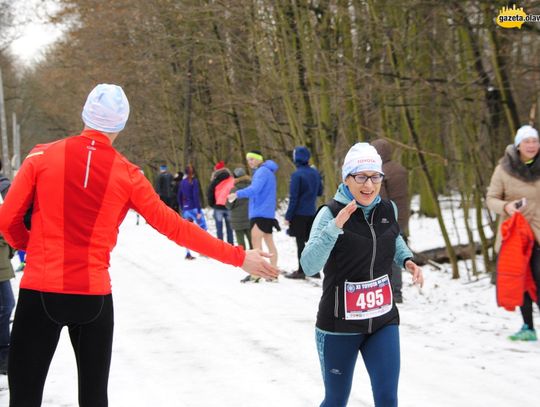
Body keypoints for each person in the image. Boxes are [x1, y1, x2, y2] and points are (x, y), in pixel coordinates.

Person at [0, 84, 279, 407]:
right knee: (93, 398)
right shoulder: (128, 174)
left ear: (85, 113)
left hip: (41, 290)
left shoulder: (41, 155)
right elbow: (175, 227)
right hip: (93, 296)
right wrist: (238, 256)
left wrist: (30, 249)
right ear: (120, 124)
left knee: (24, 396)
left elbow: (7, 220)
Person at [300, 142, 423, 407]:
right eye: (361, 177)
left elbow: (393, 237)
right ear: (347, 178)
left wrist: (407, 260)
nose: (369, 185)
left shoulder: (387, 209)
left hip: (382, 320)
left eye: (375, 177)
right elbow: (308, 265)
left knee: (388, 399)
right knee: (336, 400)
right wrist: (334, 228)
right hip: (339, 325)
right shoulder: (329, 213)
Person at [486, 124, 540, 341]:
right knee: (521, 281)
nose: (532, 145)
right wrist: (506, 207)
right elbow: (491, 199)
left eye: (535, 141)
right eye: (527, 141)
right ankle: (528, 327)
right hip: (515, 237)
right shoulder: (504, 169)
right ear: (518, 145)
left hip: (538, 234)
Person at [228, 151, 280, 283]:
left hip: (259, 212)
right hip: (268, 213)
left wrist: (237, 194)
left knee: (256, 245)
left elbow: (254, 190)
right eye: (248, 160)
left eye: (252, 159)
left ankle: (257, 275)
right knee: (269, 243)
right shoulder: (269, 172)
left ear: (259, 159)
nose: (250, 162)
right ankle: (273, 273)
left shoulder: (261, 172)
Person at [371, 138, 410, 303]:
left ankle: (393, 292)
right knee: (396, 254)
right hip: (401, 217)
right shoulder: (400, 169)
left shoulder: (380, 172)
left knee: (388, 256)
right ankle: (396, 291)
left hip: (387, 219)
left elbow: (382, 199)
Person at [284, 146, 323, 280]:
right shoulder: (315, 173)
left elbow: (293, 198)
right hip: (312, 212)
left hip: (299, 214)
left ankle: (302, 271)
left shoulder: (297, 175)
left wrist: (288, 216)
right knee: (311, 243)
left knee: (301, 243)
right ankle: (314, 270)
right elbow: (320, 192)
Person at [0, 163, 15, 375]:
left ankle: (5, 355)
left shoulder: (5, 188)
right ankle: (4, 356)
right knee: (5, 306)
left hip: (3, 257)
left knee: (6, 306)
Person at [178, 164, 208, 260]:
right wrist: (199, 211)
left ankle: (188, 253)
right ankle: (204, 250)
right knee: (203, 229)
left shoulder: (182, 182)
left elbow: (179, 196)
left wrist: (183, 208)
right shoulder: (194, 181)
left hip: (186, 209)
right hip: (194, 208)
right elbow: (196, 196)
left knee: (187, 231)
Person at [207, 161, 234, 244]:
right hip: (229, 206)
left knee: (219, 228)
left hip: (218, 207)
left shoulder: (214, 181)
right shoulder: (231, 179)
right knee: (230, 228)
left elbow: (210, 193)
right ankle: (231, 246)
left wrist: (212, 204)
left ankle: (220, 247)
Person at [226, 167, 252, 250]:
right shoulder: (252, 187)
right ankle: (255, 256)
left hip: (237, 220)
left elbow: (228, 205)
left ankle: (244, 258)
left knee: (240, 242)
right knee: (252, 240)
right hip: (250, 217)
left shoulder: (234, 189)